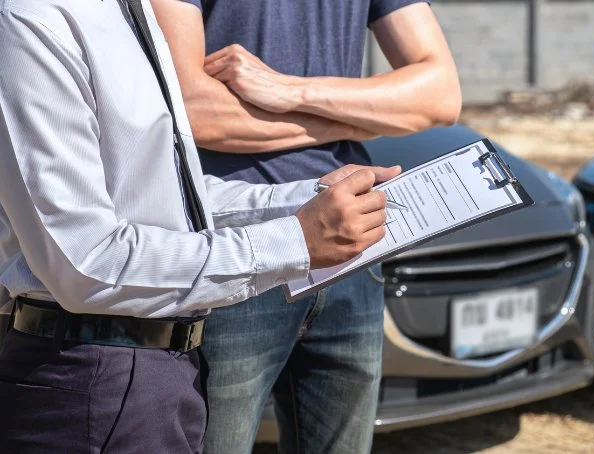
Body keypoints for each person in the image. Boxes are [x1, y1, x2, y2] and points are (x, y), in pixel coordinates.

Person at [0, 0, 399, 452]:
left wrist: (306, 199)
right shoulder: (31, 17)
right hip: (88, 375)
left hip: (166, 371)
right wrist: (295, 240)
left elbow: (172, 199)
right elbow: (86, 263)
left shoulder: (127, 11)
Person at [151, 0, 461, 452]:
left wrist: (293, 92)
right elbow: (190, 108)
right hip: (237, 246)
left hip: (354, 244)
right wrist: (353, 121)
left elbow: (440, 95)